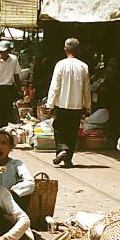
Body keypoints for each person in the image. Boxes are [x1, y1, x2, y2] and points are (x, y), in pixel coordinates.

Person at [47, 38, 91, 168]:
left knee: (59, 128)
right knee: (72, 131)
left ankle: (62, 150)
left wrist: (50, 104)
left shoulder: (60, 64)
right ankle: (68, 159)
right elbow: (86, 88)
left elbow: (55, 86)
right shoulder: (83, 66)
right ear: (78, 50)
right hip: (77, 106)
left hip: (61, 105)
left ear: (65, 49)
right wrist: (87, 106)